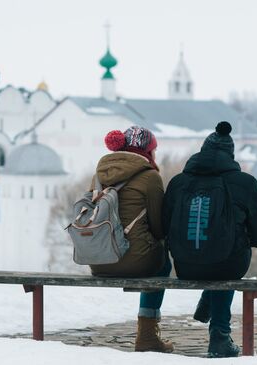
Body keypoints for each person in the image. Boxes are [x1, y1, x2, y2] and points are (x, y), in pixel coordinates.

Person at [162, 121, 257, 358]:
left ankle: (208, 303)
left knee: (218, 253)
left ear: (202, 150)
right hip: (229, 265)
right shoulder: (245, 183)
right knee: (225, 258)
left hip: (185, 264)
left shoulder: (179, 182)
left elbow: (162, 228)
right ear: (231, 154)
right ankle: (220, 335)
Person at [89, 126, 173, 353]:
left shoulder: (99, 175)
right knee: (164, 262)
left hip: (99, 259)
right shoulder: (150, 177)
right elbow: (158, 228)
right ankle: (147, 336)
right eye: (154, 150)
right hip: (137, 261)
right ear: (147, 151)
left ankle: (147, 335)